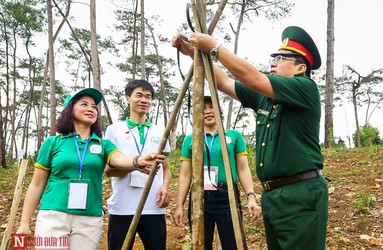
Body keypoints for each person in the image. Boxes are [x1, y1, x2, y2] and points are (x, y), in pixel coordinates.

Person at [172, 26, 329, 250]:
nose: (273, 62)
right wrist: (194, 53)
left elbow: (254, 79)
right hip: (273, 195)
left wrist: (215, 47)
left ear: (301, 68)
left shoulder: (306, 89)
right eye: (273, 57)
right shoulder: (266, 98)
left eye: (282, 58)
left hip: (300, 194)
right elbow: (225, 83)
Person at [16, 88, 165, 249]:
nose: (91, 109)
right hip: (53, 215)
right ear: (69, 110)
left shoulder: (103, 145)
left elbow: (118, 159)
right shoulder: (53, 143)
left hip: (89, 219)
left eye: (94, 106)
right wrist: (24, 222)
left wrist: (138, 160)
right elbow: (36, 185)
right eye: (84, 104)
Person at [173, 95, 260, 250]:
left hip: (227, 195)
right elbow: (185, 174)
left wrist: (251, 196)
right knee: (200, 244)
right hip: (199, 198)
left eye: (212, 107)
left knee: (233, 243)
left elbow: (243, 168)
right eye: (203, 108)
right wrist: (179, 205)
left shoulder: (234, 136)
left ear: (219, 110)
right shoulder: (190, 139)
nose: (208, 111)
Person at [104, 80, 171, 250]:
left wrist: (165, 186)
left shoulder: (160, 132)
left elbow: (166, 168)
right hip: (123, 206)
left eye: (148, 97)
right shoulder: (114, 130)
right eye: (139, 95)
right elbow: (108, 171)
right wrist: (136, 164)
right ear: (127, 99)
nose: (144, 100)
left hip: (153, 206)